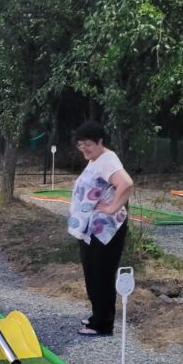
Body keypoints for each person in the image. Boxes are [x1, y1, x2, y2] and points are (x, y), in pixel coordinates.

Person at [67, 121, 133, 337]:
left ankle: (103, 324)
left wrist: (113, 207)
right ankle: (97, 315)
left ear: (100, 141)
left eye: (88, 144)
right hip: (91, 230)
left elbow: (126, 183)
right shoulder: (95, 159)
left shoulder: (108, 160)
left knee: (102, 274)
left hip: (105, 231)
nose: (84, 149)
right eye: (80, 145)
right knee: (92, 273)